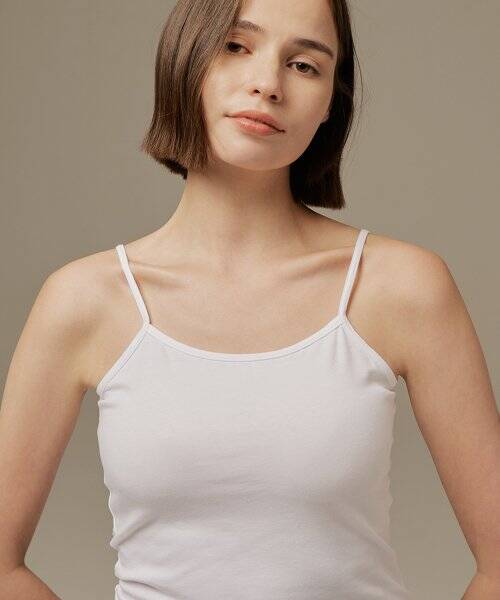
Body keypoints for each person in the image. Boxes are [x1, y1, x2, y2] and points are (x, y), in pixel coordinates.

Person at [0, 0, 498, 598]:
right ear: (185, 58)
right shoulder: (83, 301)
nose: (268, 84)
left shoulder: (401, 287)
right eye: (236, 46)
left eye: (305, 65)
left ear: (330, 104)